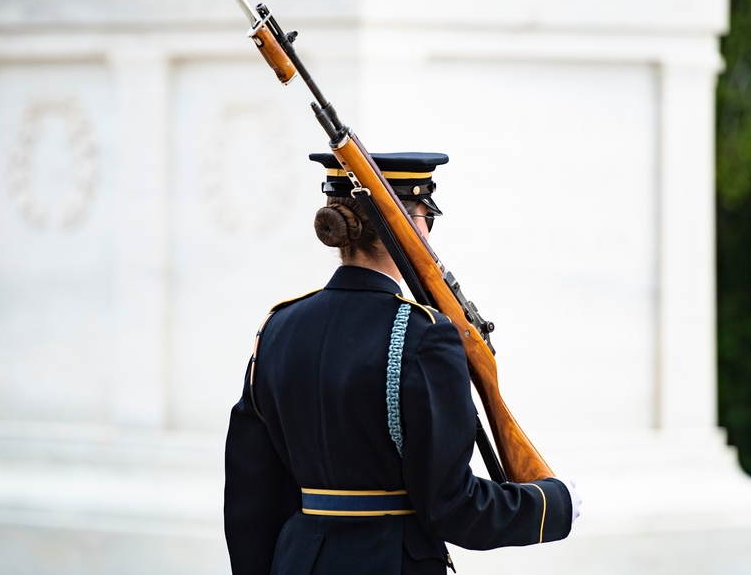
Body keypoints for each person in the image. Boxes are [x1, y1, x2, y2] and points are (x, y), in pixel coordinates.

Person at [224, 152, 581, 574]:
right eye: (427, 218)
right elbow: (453, 507)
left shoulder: (277, 329)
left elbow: (251, 501)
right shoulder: (424, 335)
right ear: (410, 226)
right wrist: (554, 504)